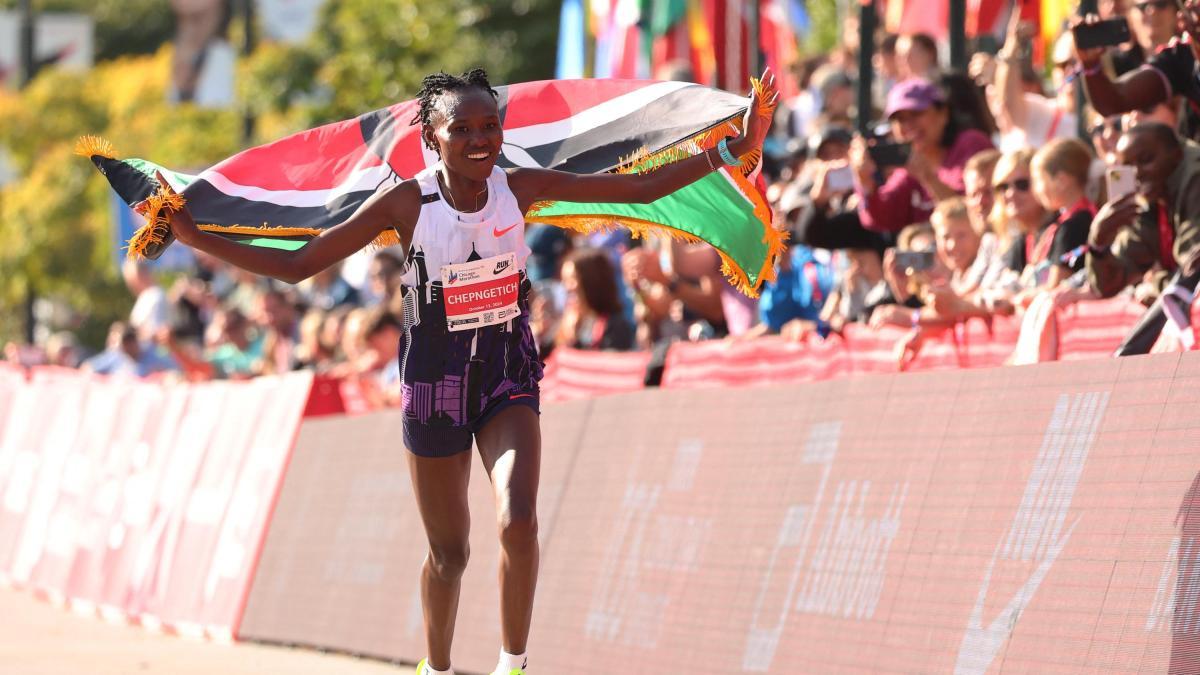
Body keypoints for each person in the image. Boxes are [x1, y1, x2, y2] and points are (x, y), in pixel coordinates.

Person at [154, 67, 777, 675]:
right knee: (450, 556)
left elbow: (637, 191)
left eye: (490, 126)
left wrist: (732, 148)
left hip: (507, 369)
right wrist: (189, 234)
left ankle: (514, 663)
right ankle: (440, 666)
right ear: (433, 138)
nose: (480, 140)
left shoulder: (521, 188)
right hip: (433, 382)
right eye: (463, 130)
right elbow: (300, 266)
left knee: (520, 519)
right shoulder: (406, 201)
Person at [851, 78, 995, 234]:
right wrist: (864, 181)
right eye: (899, 119)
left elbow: (975, 214)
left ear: (943, 114)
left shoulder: (971, 144)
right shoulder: (909, 167)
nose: (908, 125)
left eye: (916, 113)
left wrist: (928, 178)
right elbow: (882, 219)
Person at [1088, 122, 1200, 297]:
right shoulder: (1152, 199)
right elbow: (1109, 285)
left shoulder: (1195, 181)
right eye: (1128, 167)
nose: (1137, 174)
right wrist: (1098, 244)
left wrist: (1154, 284)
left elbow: (1192, 278)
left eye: (1146, 160)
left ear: (1176, 155)